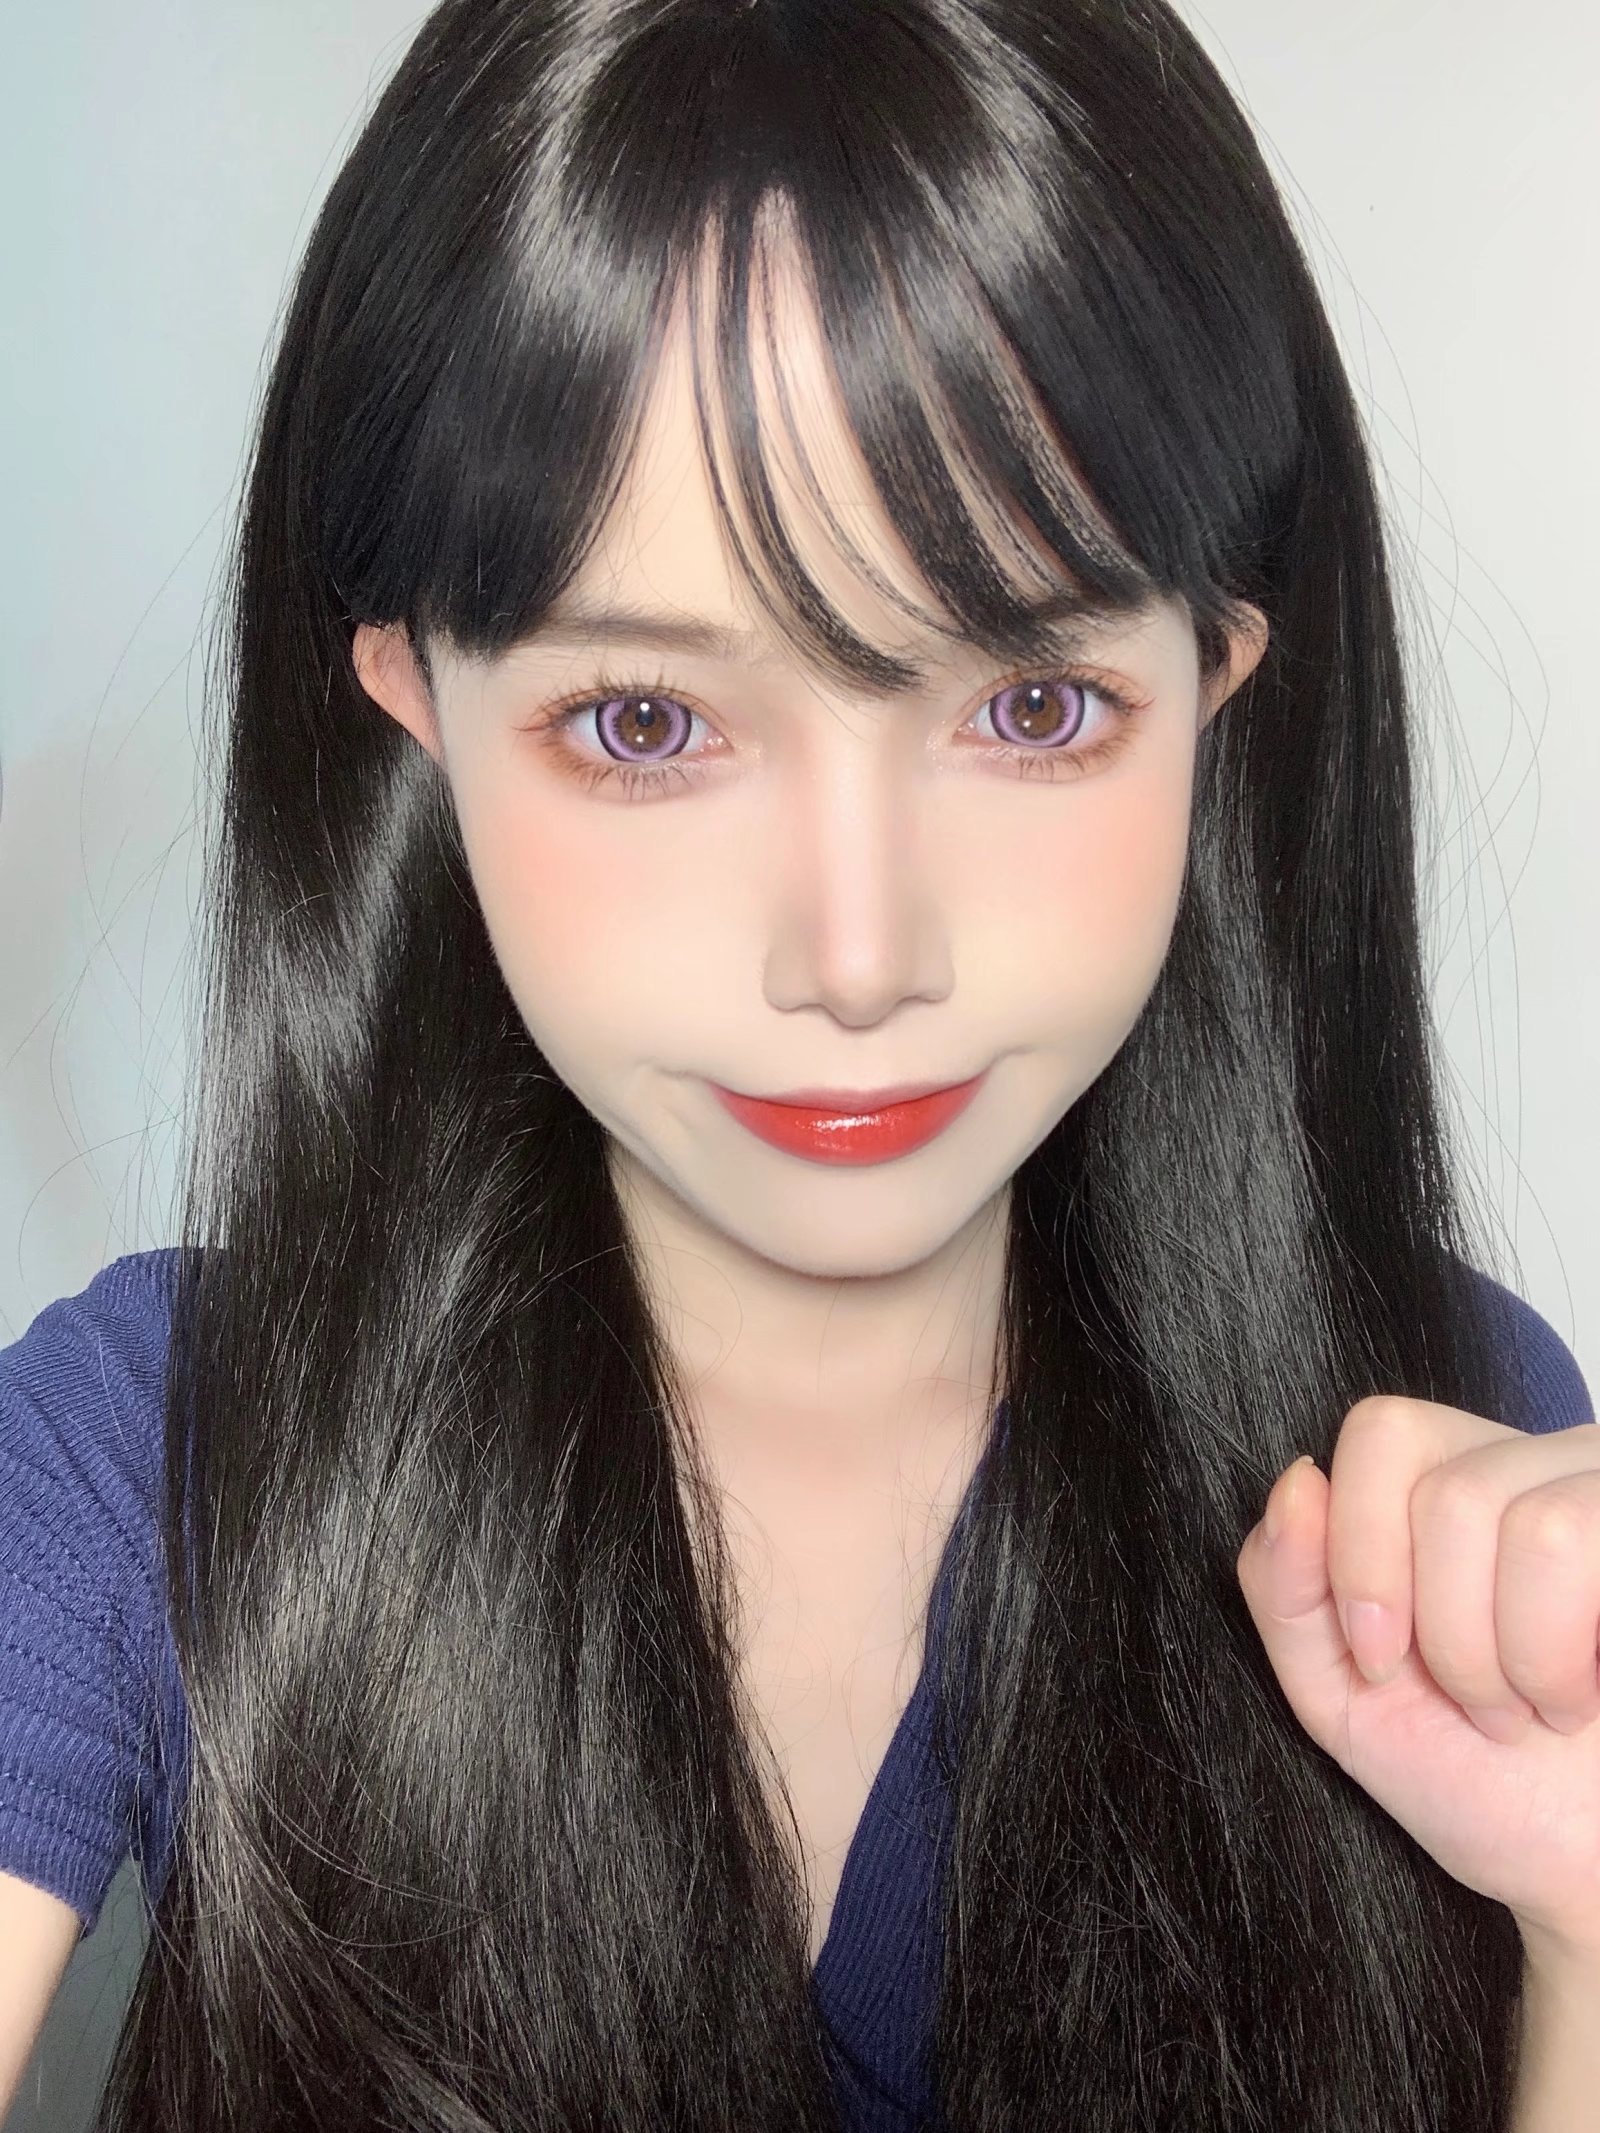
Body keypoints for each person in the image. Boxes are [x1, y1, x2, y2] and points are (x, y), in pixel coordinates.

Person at [0, 0, 1593, 2127]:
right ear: (417, 705)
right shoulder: (149, 1465)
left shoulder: (1446, 1448)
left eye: (1030, 706)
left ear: (1213, 686)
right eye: (646, 722)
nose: (858, 957)